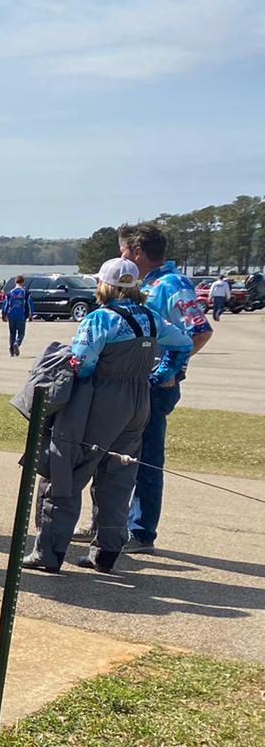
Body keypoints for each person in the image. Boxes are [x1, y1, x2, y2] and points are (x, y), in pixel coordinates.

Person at [24, 258, 192, 573]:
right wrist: (161, 373)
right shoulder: (152, 319)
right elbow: (183, 342)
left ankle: (48, 552)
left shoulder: (100, 319)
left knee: (67, 470)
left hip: (100, 400)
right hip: (138, 402)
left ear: (104, 285)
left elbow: (84, 361)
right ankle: (106, 552)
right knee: (118, 477)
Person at [121, 222, 212, 551]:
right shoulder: (141, 283)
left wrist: (167, 370)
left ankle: (141, 530)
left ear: (138, 252)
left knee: (146, 457)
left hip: (154, 388)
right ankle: (108, 522)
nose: (122, 256)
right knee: (119, 455)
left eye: (124, 251)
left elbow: (199, 331)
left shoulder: (171, 285)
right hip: (130, 383)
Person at [0, 274, 33, 357]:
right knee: (21, 333)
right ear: (22, 282)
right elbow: (29, 304)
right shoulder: (25, 292)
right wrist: (30, 314)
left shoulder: (10, 293)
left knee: (12, 333)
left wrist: (4, 314)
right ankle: (17, 343)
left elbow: (6, 304)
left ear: (15, 282)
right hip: (21, 315)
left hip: (11, 315)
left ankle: (11, 351)